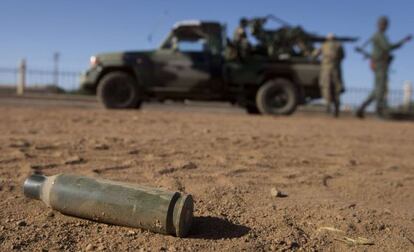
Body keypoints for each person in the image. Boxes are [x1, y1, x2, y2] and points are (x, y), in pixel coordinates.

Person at [356, 16, 412, 118]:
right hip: (380, 64)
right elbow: (388, 47)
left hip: (381, 64)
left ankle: (361, 108)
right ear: (380, 25)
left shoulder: (378, 35)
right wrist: (403, 41)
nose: (385, 26)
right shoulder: (379, 36)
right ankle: (379, 112)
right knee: (381, 89)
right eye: (383, 24)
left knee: (377, 89)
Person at [314, 33, 345, 117]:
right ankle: (337, 108)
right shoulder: (339, 45)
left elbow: (315, 54)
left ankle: (328, 105)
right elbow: (343, 56)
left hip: (326, 69)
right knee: (337, 88)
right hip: (336, 69)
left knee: (326, 86)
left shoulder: (324, 45)